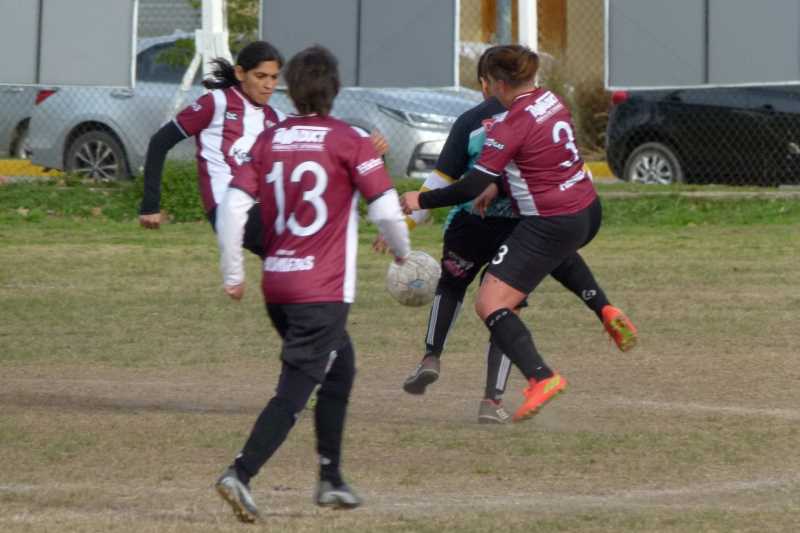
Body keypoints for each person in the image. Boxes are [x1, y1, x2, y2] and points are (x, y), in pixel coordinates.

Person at [380, 47, 636, 424]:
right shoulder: (551, 101)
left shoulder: (507, 125)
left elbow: (469, 185)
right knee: (550, 260)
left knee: (491, 302)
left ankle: (541, 377)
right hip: (586, 210)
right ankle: (605, 308)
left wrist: (420, 200)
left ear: (494, 84)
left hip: (548, 220)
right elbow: (534, 157)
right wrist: (498, 185)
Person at [213, 45, 410, 522]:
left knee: (340, 367)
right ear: (334, 89)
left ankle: (330, 479)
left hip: (278, 286)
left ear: (291, 89)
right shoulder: (349, 140)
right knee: (295, 390)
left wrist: (234, 274)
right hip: (321, 292)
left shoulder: (270, 139)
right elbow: (386, 209)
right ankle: (240, 472)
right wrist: (403, 252)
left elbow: (233, 208)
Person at [138, 40, 389, 257]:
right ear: (240, 73)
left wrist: (363, 146)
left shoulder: (274, 117)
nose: (268, 85)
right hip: (227, 206)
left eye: (273, 77)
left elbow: (317, 133)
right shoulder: (216, 103)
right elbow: (159, 142)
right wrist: (150, 204)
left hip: (264, 206)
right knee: (304, 250)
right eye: (260, 76)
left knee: (303, 253)